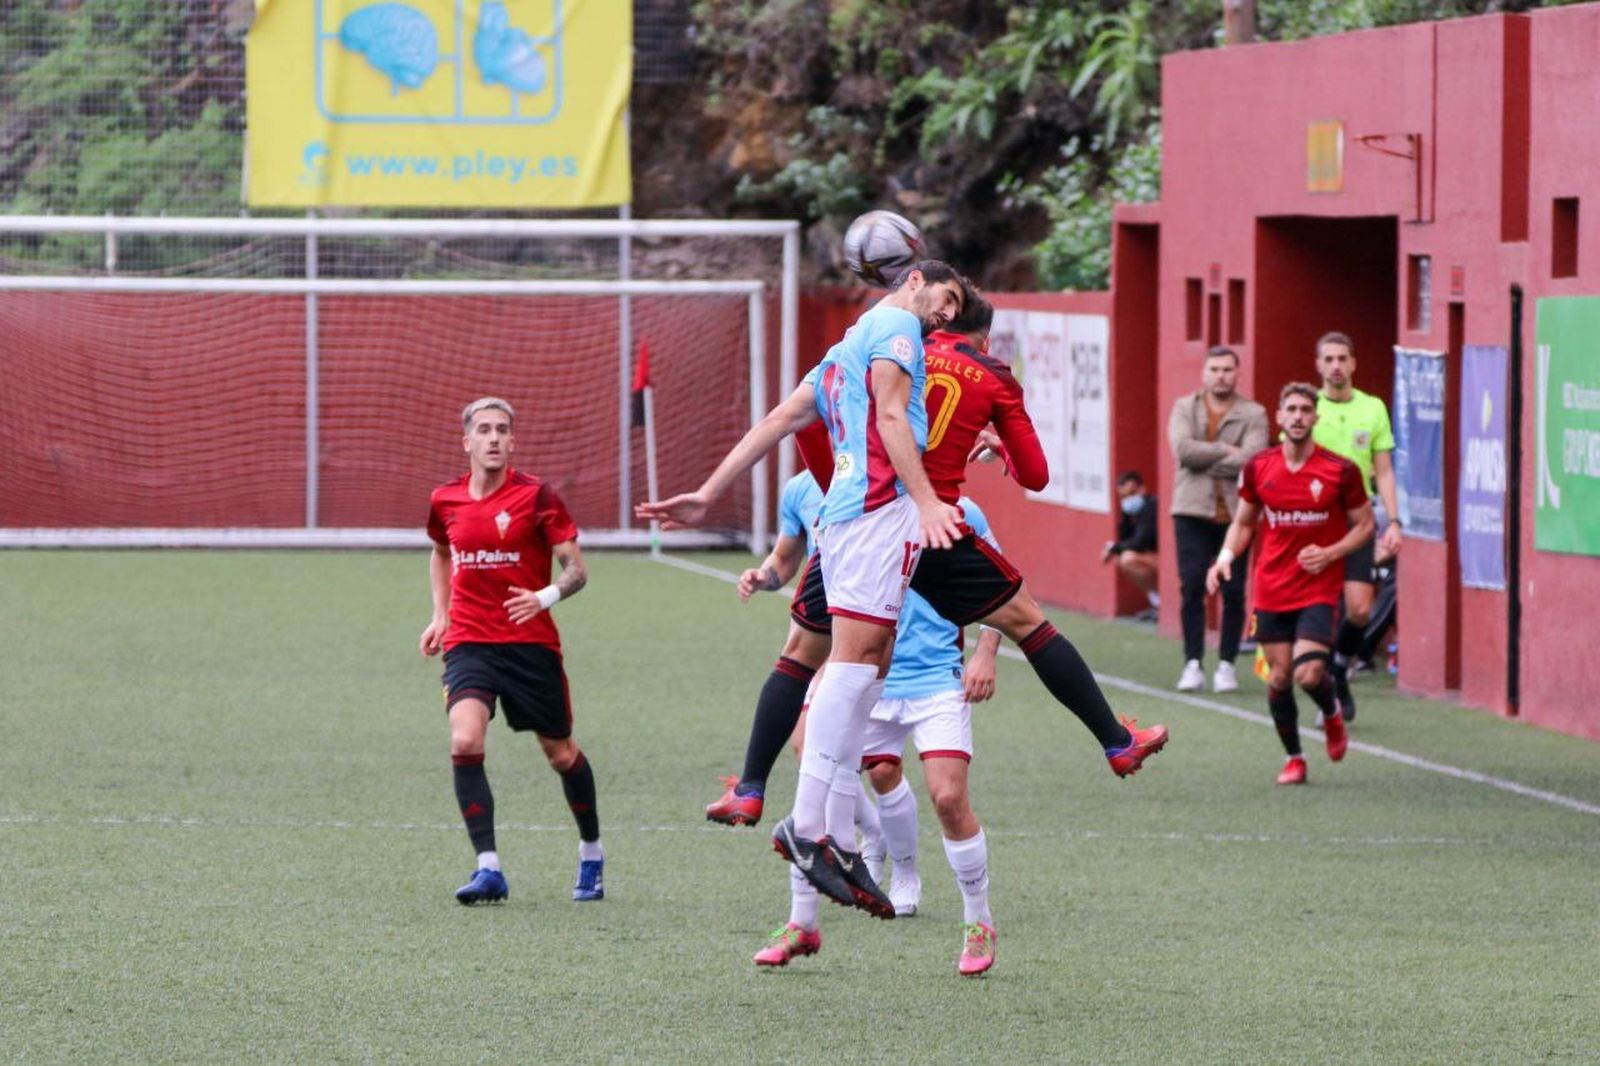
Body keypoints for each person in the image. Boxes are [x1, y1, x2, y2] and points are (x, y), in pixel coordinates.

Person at [642, 279, 1169, 920]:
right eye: (936, 296)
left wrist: (714, 489)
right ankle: (813, 829)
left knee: (808, 659)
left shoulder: (850, 347)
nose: (938, 313)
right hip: (904, 519)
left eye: (947, 306)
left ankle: (758, 796)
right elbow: (1028, 473)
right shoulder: (926, 349)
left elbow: (795, 426)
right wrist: (930, 497)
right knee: (991, 630)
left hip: (844, 520)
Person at [751, 495, 1004, 977]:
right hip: (867, 674)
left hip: (934, 677)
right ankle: (802, 922)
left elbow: (1003, 583)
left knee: (949, 797)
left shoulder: (958, 508)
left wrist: (985, 653)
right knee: (823, 780)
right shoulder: (848, 503)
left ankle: (979, 922)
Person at [420, 397, 604, 904]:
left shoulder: (538, 497)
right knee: (464, 739)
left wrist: (543, 597)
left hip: (529, 645)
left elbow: (577, 570)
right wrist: (441, 614)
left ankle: (591, 851)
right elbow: (440, 552)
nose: (494, 437)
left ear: (513, 441)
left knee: (561, 754)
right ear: (468, 441)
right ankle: (489, 868)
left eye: (502, 429)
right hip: (470, 642)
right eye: (484, 429)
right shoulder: (445, 500)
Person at [1206, 383, 1374, 785]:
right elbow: (1244, 522)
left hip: (1317, 587)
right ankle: (1295, 758)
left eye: (1305, 410)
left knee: (1309, 673)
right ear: (1279, 418)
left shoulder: (1340, 470)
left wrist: (1331, 553)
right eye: (1291, 410)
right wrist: (1224, 559)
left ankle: (1331, 714)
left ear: (1315, 418)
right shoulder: (1260, 467)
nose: (1298, 416)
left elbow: (1366, 525)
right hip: (1271, 587)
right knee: (1280, 677)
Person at [1312, 331, 1403, 721]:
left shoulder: (1373, 409)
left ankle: (1339, 666)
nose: (1335, 365)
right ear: (1318, 365)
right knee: (1318, 608)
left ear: (1353, 364)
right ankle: (1322, 687)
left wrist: (1394, 521)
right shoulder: (1306, 409)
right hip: (1315, 520)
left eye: (1342, 358)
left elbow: (1383, 471)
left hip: (1359, 520)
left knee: (1360, 610)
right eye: (1328, 358)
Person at [1167, 345, 1268, 693]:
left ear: (1237, 373)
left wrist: (1206, 456)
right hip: (1190, 509)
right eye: (1215, 369)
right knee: (1192, 585)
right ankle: (1192, 662)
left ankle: (1226, 664)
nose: (1221, 375)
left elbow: (1253, 460)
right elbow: (1183, 450)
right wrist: (1228, 452)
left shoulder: (1254, 413)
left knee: (1234, 590)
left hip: (1235, 512)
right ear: (1204, 373)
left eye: (1228, 369)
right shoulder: (1184, 407)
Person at [1102, 471, 1160, 621]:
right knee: (1121, 558)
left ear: (1142, 489)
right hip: (1151, 558)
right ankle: (1157, 603)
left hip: (1167, 562)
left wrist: (1113, 547)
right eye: (1124, 496)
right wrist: (1126, 516)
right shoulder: (1132, 513)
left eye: (1132, 493)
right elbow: (1125, 537)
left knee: (1128, 558)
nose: (1128, 499)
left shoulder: (1153, 505)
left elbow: (1140, 542)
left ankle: (1162, 604)